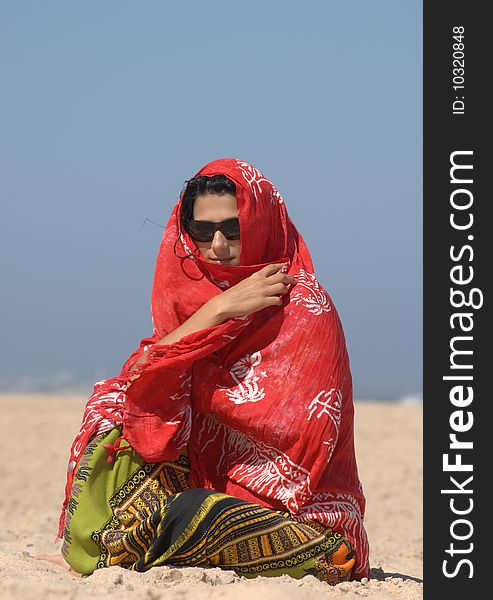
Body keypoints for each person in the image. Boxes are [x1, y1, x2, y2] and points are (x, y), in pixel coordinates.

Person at [37, 158, 370, 584]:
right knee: (115, 406)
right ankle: (105, 542)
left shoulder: (304, 308)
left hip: (303, 521)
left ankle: (117, 546)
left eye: (233, 229)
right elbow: (141, 380)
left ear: (262, 223)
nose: (217, 244)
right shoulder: (199, 299)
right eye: (201, 231)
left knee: (194, 515)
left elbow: (293, 438)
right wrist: (215, 311)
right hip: (209, 488)